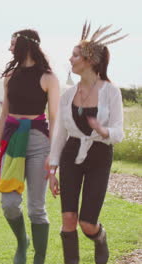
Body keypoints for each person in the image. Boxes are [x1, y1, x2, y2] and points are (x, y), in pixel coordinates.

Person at [47, 22, 127, 264]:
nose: (70, 59)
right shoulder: (67, 95)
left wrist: (103, 131)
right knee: (68, 220)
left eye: (75, 55)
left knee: (86, 224)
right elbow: (60, 133)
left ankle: (100, 237)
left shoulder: (111, 92)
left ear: (90, 60)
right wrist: (52, 168)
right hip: (71, 154)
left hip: (99, 156)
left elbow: (119, 133)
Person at [0, 29, 60, 264]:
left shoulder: (48, 78)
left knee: (36, 209)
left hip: (39, 142)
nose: (10, 48)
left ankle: (39, 259)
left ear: (26, 45)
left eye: (13, 44)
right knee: (9, 204)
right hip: (12, 141)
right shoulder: (10, 76)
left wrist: (54, 156)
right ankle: (23, 241)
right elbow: (3, 115)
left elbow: (54, 118)